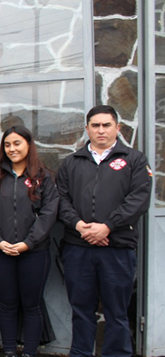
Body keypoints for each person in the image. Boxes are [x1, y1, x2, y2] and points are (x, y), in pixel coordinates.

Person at [57, 105, 152, 357]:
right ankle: (80, 353)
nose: (101, 130)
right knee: (81, 310)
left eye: (106, 125)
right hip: (78, 249)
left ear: (117, 128)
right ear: (87, 129)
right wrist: (79, 226)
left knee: (116, 313)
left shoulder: (135, 160)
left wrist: (107, 226)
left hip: (117, 249)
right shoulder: (71, 162)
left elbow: (139, 199)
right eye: (95, 125)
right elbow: (60, 200)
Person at [0, 125, 59, 357]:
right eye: (7, 144)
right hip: (1, 252)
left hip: (34, 253)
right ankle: (9, 352)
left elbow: (49, 214)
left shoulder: (43, 177)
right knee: (7, 304)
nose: (12, 149)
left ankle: (30, 352)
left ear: (28, 145)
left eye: (17, 143)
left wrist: (28, 243)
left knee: (32, 305)